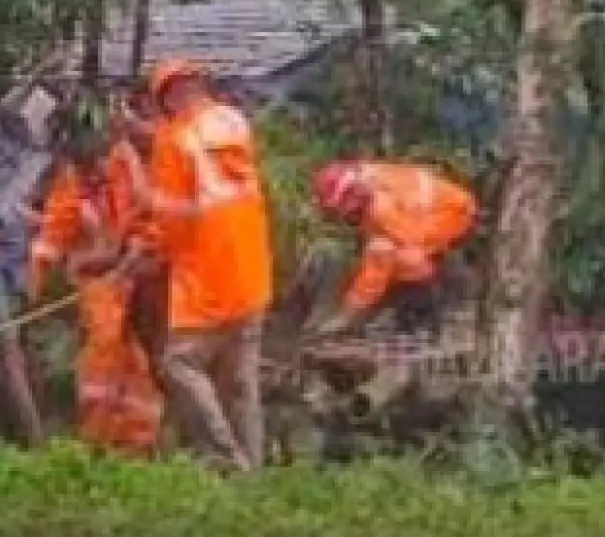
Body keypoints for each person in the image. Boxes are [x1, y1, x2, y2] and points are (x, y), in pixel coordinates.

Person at [122, 59, 272, 473]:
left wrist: (144, 249)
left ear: (167, 98)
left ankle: (226, 460)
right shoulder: (233, 121)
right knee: (241, 381)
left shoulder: (173, 140)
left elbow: (171, 218)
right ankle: (254, 473)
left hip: (207, 277)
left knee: (177, 363)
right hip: (251, 272)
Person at [28, 110, 164, 455]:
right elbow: (51, 240)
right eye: (88, 171)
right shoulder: (71, 186)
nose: (96, 174)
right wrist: (33, 287)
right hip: (97, 284)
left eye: (99, 166)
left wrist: (136, 248)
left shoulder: (125, 168)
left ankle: (139, 438)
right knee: (104, 352)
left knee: (138, 360)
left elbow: (148, 215)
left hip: (137, 276)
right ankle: (97, 437)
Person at [306, 159, 478, 339]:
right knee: (391, 252)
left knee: (405, 259)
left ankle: (424, 316)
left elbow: (377, 268)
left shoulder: (382, 209)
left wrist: (349, 313)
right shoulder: (367, 178)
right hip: (440, 207)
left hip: (454, 215)